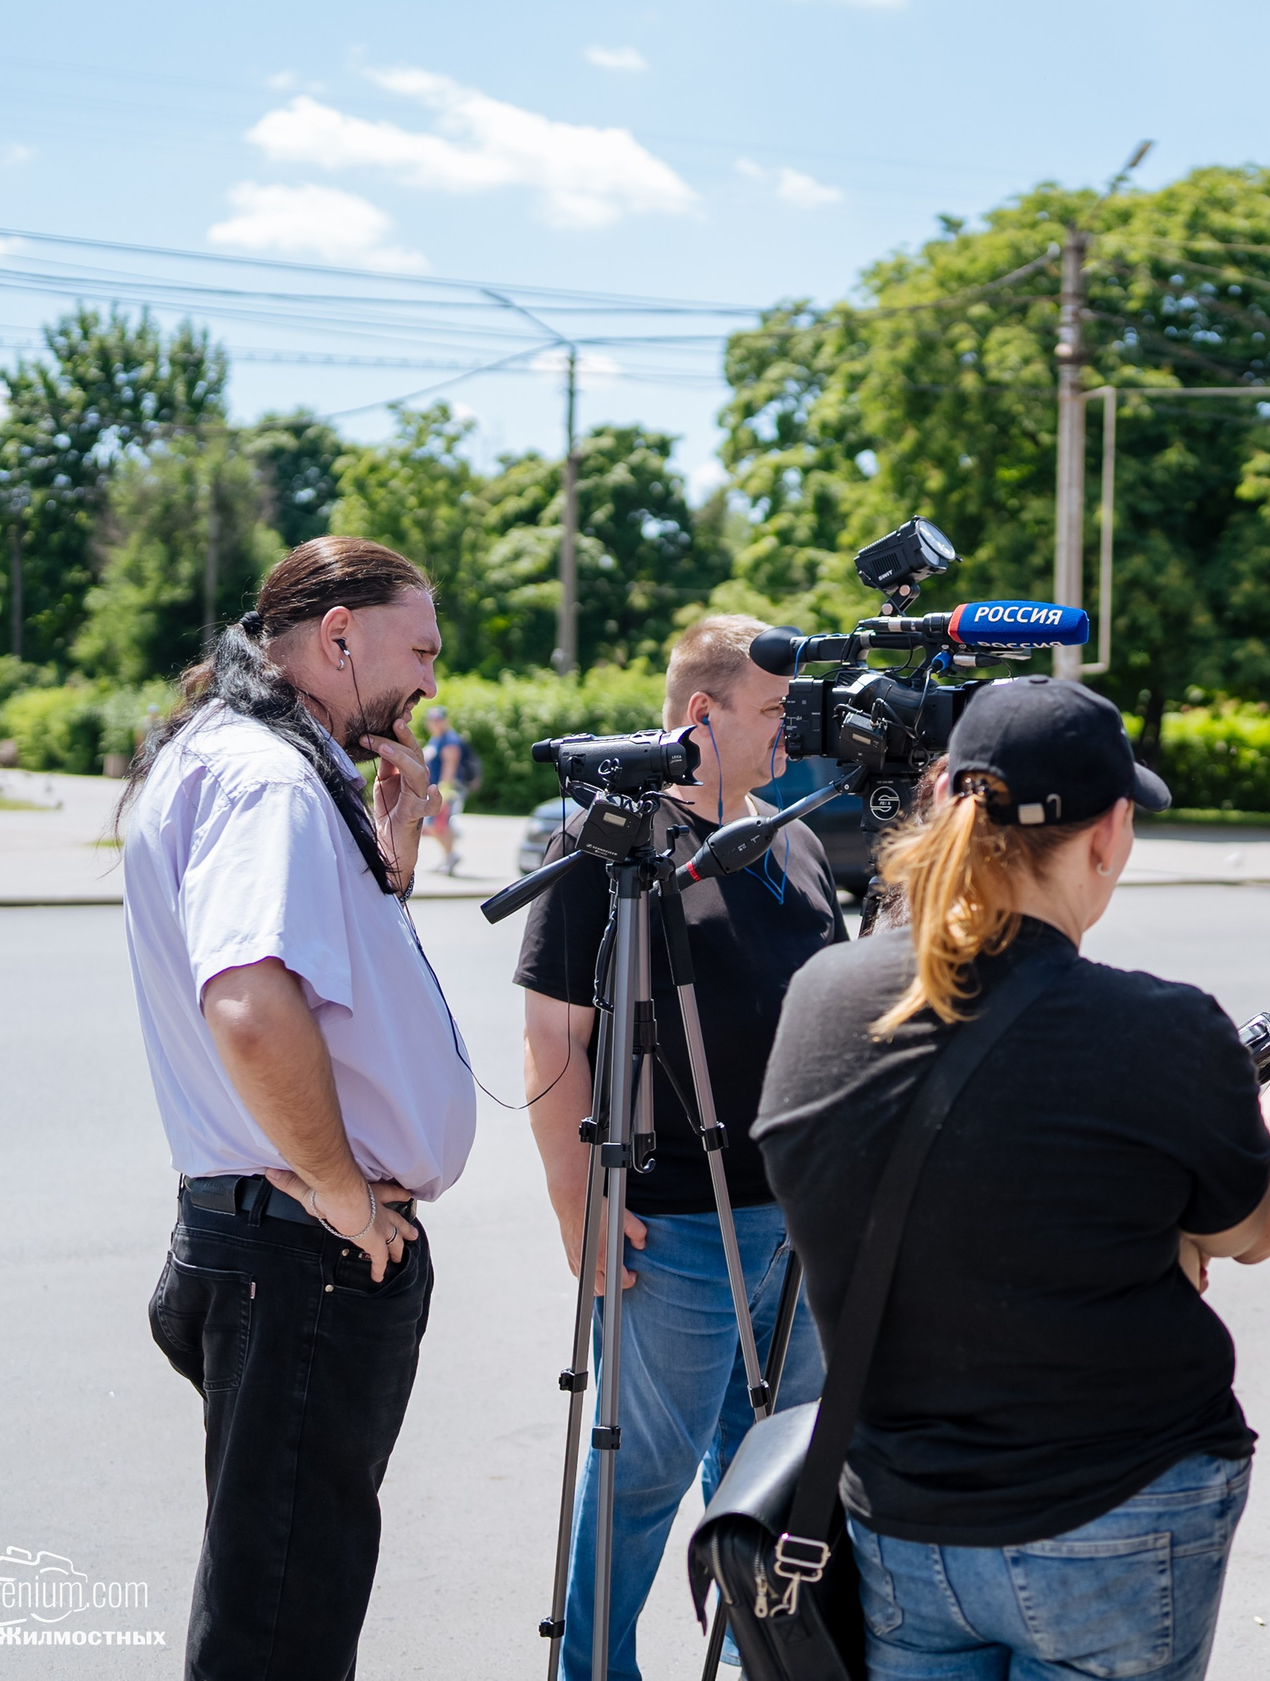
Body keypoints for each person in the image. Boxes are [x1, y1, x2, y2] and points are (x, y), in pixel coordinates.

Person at [755, 674, 1270, 1681]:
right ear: (1109, 833)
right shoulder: (1157, 1028)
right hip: (1116, 1507)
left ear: (944, 800)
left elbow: (972, 1191)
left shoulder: (821, 996)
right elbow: (1255, 1224)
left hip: (903, 1518)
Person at [121, 536, 473, 1680]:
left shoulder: (251, 760)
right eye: (417, 649)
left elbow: (314, 987)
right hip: (306, 1255)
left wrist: (390, 862)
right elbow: (249, 1004)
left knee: (277, 1585)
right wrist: (340, 1197)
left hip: (280, 1251)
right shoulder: (268, 778)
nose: (428, 679)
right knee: (281, 1622)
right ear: (337, 637)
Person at [515, 612, 847, 1681]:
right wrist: (580, 1209)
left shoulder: (791, 838)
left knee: (776, 1488)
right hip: (673, 1228)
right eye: (769, 709)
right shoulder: (609, 846)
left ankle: (766, 1659)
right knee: (640, 1480)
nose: (790, 728)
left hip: (795, 1230)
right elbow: (553, 1039)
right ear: (701, 714)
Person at [421, 702, 479, 875]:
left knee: (439, 824)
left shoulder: (450, 740)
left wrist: (443, 791)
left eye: (438, 719)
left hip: (447, 789)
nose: (435, 723)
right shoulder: (436, 739)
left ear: (445, 721)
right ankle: (449, 855)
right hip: (436, 788)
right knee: (435, 825)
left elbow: (450, 767)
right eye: (432, 720)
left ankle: (451, 855)